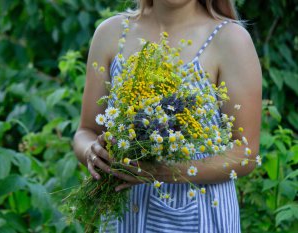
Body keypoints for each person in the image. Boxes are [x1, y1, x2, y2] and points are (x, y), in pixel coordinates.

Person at [73, 0, 262, 232]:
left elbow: (245, 153)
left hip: (199, 219)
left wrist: (160, 172)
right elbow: (86, 131)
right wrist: (93, 154)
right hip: (123, 220)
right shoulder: (111, 33)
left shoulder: (230, 40)